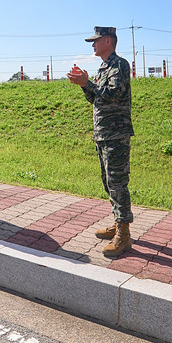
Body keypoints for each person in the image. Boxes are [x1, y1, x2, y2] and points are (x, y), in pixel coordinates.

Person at [67, 27, 135, 258]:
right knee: (108, 181)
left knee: (117, 183)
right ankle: (118, 222)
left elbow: (113, 94)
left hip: (116, 134)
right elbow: (96, 98)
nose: (92, 45)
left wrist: (89, 83)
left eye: (95, 41)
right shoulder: (104, 67)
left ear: (108, 41)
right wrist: (84, 84)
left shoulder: (119, 65)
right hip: (103, 133)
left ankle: (124, 234)